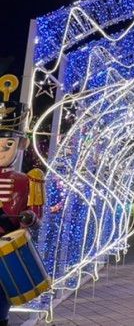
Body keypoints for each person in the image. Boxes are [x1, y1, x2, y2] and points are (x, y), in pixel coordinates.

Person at [0, 76, 45, 326]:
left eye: (7, 143)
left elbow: (34, 215)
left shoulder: (28, 180)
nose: (1, 150)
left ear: (20, 144)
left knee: (0, 301)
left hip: (6, 251)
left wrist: (28, 218)